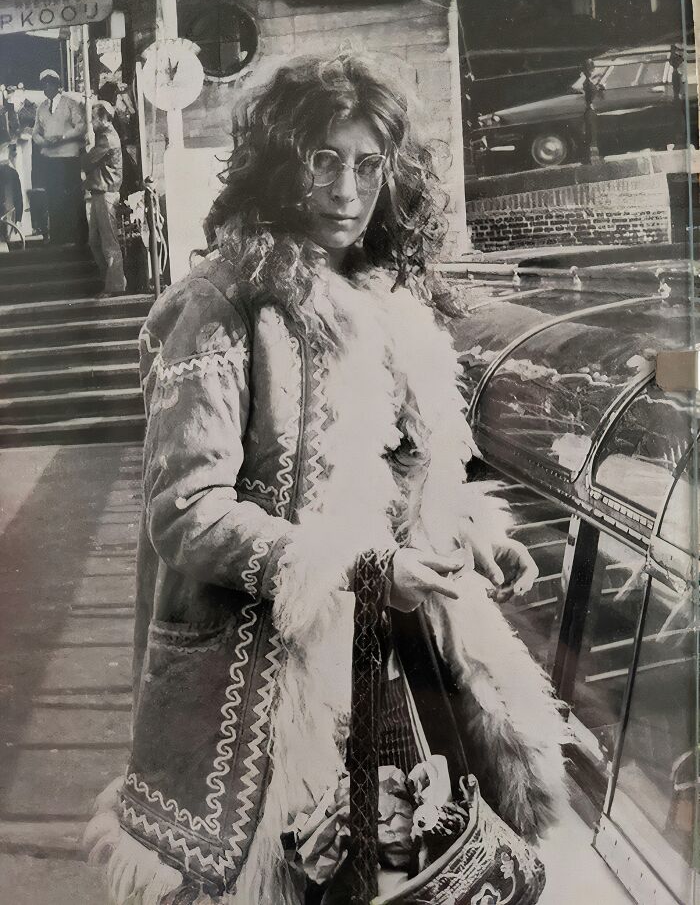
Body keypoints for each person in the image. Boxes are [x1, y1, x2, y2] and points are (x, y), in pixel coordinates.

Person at [87, 53, 567, 905]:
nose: (347, 189)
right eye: (323, 160)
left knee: (401, 860)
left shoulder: (386, 301)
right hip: (260, 684)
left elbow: (400, 473)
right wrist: (359, 570)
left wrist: (467, 534)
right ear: (281, 165)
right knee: (287, 875)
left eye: (367, 164)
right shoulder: (217, 304)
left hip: (391, 657)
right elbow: (187, 512)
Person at [31, 69, 88, 246]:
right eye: (43, 84)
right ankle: (58, 237)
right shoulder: (41, 107)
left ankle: (79, 237)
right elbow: (35, 133)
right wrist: (44, 142)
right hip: (49, 159)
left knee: (73, 195)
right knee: (53, 197)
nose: (46, 87)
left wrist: (62, 137)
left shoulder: (70, 104)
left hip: (68, 157)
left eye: (49, 83)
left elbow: (81, 127)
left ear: (57, 85)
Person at [82, 101, 127, 296]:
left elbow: (87, 160)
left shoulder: (106, 139)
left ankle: (115, 286)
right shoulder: (106, 136)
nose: (91, 122)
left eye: (94, 118)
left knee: (108, 242)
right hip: (100, 192)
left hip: (105, 193)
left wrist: (85, 147)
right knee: (94, 241)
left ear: (105, 119)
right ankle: (109, 280)